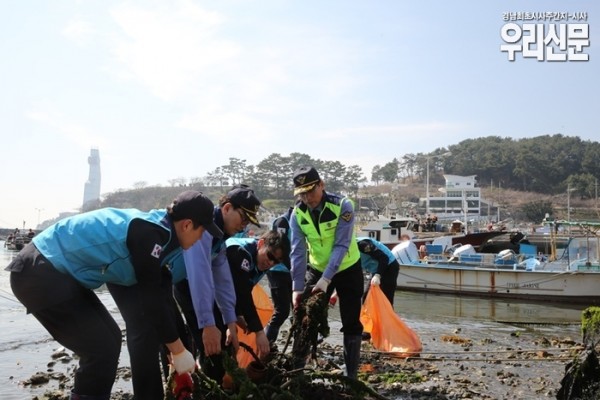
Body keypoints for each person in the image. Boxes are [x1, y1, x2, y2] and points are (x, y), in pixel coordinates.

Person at [6, 190, 222, 400]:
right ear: (187, 225)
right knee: (101, 348)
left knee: (109, 339)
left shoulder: (164, 236)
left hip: (56, 274)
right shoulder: (149, 233)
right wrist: (178, 350)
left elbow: (161, 294)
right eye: (202, 231)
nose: (201, 239)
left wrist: (176, 350)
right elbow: (151, 299)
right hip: (38, 271)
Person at [171, 184, 262, 383]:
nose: (244, 226)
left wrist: (230, 319)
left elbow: (222, 278)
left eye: (248, 222)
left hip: (197, 286)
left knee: (220, 339)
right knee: (208, 344)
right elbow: (199, 273)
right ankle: (203, 384)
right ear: (227, 208)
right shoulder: (203, 225)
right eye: (243, 218)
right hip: (182, 283)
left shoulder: (220, 234)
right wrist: (207, 323)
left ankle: (210, 378)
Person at [289, 165, 363, 379]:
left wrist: (326, 280)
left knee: (351, 321)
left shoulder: (342, 206)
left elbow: (341, 245)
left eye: (310, 191)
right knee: (304, 318)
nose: (307, 198)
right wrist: (297, 287)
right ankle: (296, 372)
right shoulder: (297, 213)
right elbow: (297, 252)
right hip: (317, 268)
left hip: (348, 267)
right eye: (302, 193)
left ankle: (351, 376)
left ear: (322, 185)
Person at [225, 230, 290, 360]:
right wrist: (259, 331)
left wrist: (238, 315)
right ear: (260, 243)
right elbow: (242, 293)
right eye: (270, 256)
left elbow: (241, 289)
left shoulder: (261, 260)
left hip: (224, 296)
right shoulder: (241, 253)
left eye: (276, 262)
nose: (271, 263)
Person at [264, 207, 293, 348]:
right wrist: (293, 269)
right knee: (282, 311)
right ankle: (266, 344)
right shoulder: (283, 222)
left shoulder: (302, 221)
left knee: (298, 308)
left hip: (291, 271)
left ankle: (298, 345)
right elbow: (280, 248)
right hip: (278, 270)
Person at [355, 236, 400, 306]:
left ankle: (388, 312)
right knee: (366, 299)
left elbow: (384, 258)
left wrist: (378, 275)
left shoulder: (363, 245)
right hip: (375, 268)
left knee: (386, 299)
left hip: (389, 266)